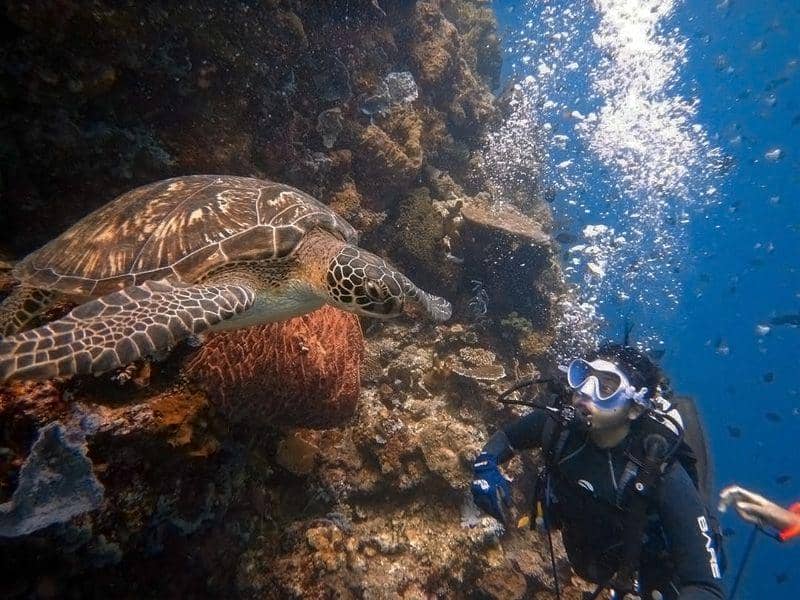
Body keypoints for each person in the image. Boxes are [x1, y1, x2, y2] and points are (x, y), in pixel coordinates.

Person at [471, 344, 725, 600]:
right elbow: (507, 437)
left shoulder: (658, 470)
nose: (584, 392)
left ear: (635, 408)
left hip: (643, 574)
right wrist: (485, 467)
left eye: (606, 387)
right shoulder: (560, 430)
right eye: (583, 377)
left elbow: (705, 586)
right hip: (585, 552)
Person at [719, 485, 800, 542]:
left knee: (760, 501)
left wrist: (790, 512)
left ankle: (737, 490)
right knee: (746, 509)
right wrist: (783, 537)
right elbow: (790, 533)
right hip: (772, 516)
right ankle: (734, 501)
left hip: (776, 511)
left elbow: (797, 505)